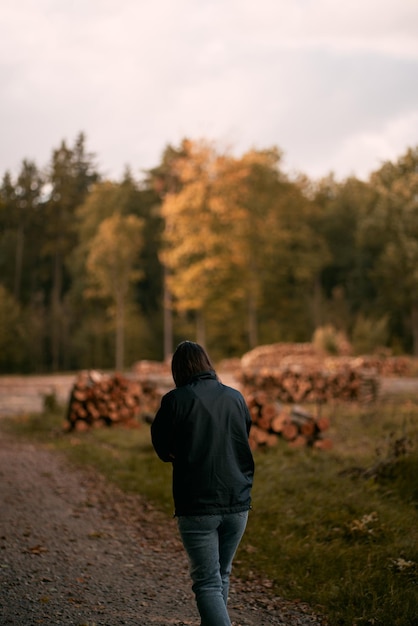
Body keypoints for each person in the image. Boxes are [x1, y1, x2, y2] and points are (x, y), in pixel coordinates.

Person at [151, 340, 254, 626]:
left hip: (197, 505)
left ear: (178, 370)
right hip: (238, 501)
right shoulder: (235, 397)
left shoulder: (175, 400)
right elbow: (243, 436)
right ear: (207, 363)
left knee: (208, 583)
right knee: (221, 575)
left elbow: (162, 448)